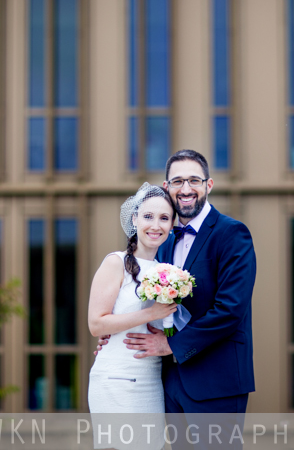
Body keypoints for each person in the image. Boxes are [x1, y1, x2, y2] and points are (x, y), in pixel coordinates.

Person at [98, 149, 257, 440]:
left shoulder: (232, 234)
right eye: (178, 181)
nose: (186, 189)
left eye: (194, 180)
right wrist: (115, 338)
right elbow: (150, 303)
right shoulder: (163, 240)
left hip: (216, 382)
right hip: (168, 383)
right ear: (167, 186)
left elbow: (230, 309)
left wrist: (171, 346)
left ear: (208, 185)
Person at [86, 183, 178, 449]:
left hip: (152, 381)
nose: (155, 225)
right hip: (116, 378)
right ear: (134, 218)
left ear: (172, 225)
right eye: (148, 216)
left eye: (164, 218)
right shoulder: (116, 262)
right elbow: (96, 324)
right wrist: (150, 313)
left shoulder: (169, 272)